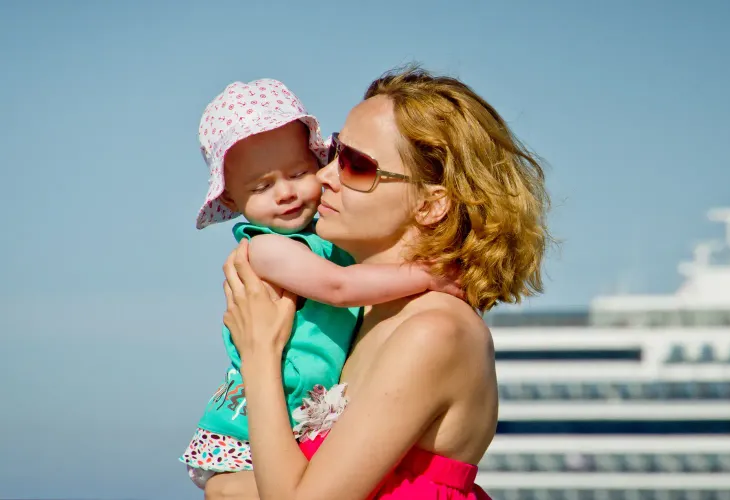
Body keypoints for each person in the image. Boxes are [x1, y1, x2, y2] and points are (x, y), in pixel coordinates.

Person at [211, 65, 552, 499]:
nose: (322, 176)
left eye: (355, 164)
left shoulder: (434, 331)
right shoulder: (364, 319)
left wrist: (259, 354)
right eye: (334, 153)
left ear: (431, 205)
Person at [180, 78, 462, 491]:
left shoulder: (325, 240)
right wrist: (426, 273)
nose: (285, 193)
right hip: (242, 435)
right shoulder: (264, 250)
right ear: (234, 204)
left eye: (298, 173)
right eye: (261, 187)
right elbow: (339, 287)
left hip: (292, 414)